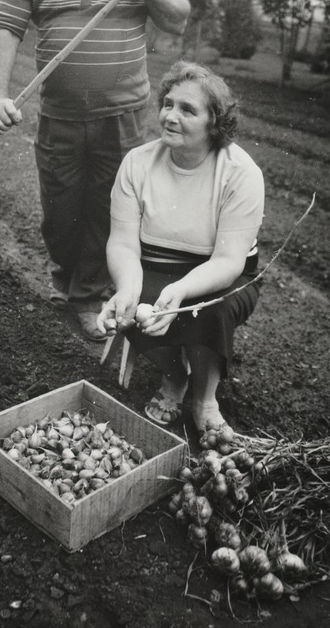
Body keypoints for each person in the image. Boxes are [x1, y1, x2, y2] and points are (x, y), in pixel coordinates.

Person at [0, 0, 190, 342]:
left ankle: (89, 295)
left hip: (121, 114)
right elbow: (7, 27)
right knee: (59, 212)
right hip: (59, 114)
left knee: (106, 209)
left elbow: (177, 17)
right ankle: (67, 280)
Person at [96, 61, 265, 432]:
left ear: (214, 123)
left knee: (209, 312)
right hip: (156, 265)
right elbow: (123, 243)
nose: (170, 116)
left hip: (221, 273)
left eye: (187, 110)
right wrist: (128, 287)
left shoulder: (241, 173)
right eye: (168, 104)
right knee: (131, 306)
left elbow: (229, 260)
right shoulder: (137, 164)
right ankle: (174, 376)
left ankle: (205, 399)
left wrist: (181, 290)